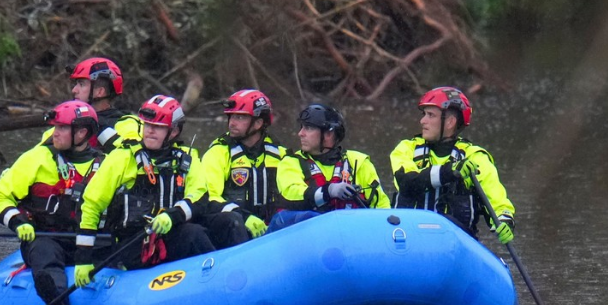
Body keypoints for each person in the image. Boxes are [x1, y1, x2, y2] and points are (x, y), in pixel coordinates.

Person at [74, 95, 246, 276]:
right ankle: (217, 277)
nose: (150, 131)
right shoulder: (122, 158)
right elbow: (92, 205)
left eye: (158, 127)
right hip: (135, 243)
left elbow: (200, 196)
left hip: (174, 227)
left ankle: (240, 272)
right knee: (192, 234)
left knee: (230, 221)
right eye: (147, 125)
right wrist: (83, 259)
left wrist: (173, 215)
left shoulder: (187, 158)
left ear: (173, 131)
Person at [0, 100, 104, 305]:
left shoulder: (106, 165)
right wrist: (18, 221)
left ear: (81, 133)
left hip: (89, 240)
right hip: (46, 237)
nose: (54, 133)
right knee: (45, 251)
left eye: (62, 128)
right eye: (55, 127)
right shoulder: (37, 158)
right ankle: (57, 299)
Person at [389, 86, 515, 244]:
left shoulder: (475, 157)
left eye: (430, 115)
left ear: (450, 122)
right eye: (424, 114)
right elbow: (407, 183)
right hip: (408, 241)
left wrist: (504, 221)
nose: (422, 121)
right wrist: (449, 172)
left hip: (455, 245)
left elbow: (497, 202)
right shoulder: (406, 149)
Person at [269, 104, 390, 232]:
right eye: (302, 127)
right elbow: (292, 195)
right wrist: (328, 191)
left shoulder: (358, 162)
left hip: (351, 233)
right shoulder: (290, 162)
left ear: (328, 134)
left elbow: (382, 206)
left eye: (308, 128)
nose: (300, 133)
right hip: (307, 235)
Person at [200, 89, 287, 238]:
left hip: (271, 229)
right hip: (234, 228)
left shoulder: (281, 155)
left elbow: (294, 193)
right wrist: (243, 217)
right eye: (231, 116)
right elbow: (209, 197)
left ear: (258, 123)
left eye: (240, 117)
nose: (232, 123)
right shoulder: (217, 154)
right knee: (233, 221)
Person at [40, 57, 141, 151]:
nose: (74, 90)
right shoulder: (60, 126)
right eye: (76, 84)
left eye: (81, 84)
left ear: (100, 92)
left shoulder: (126, 125)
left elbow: (134, 153)